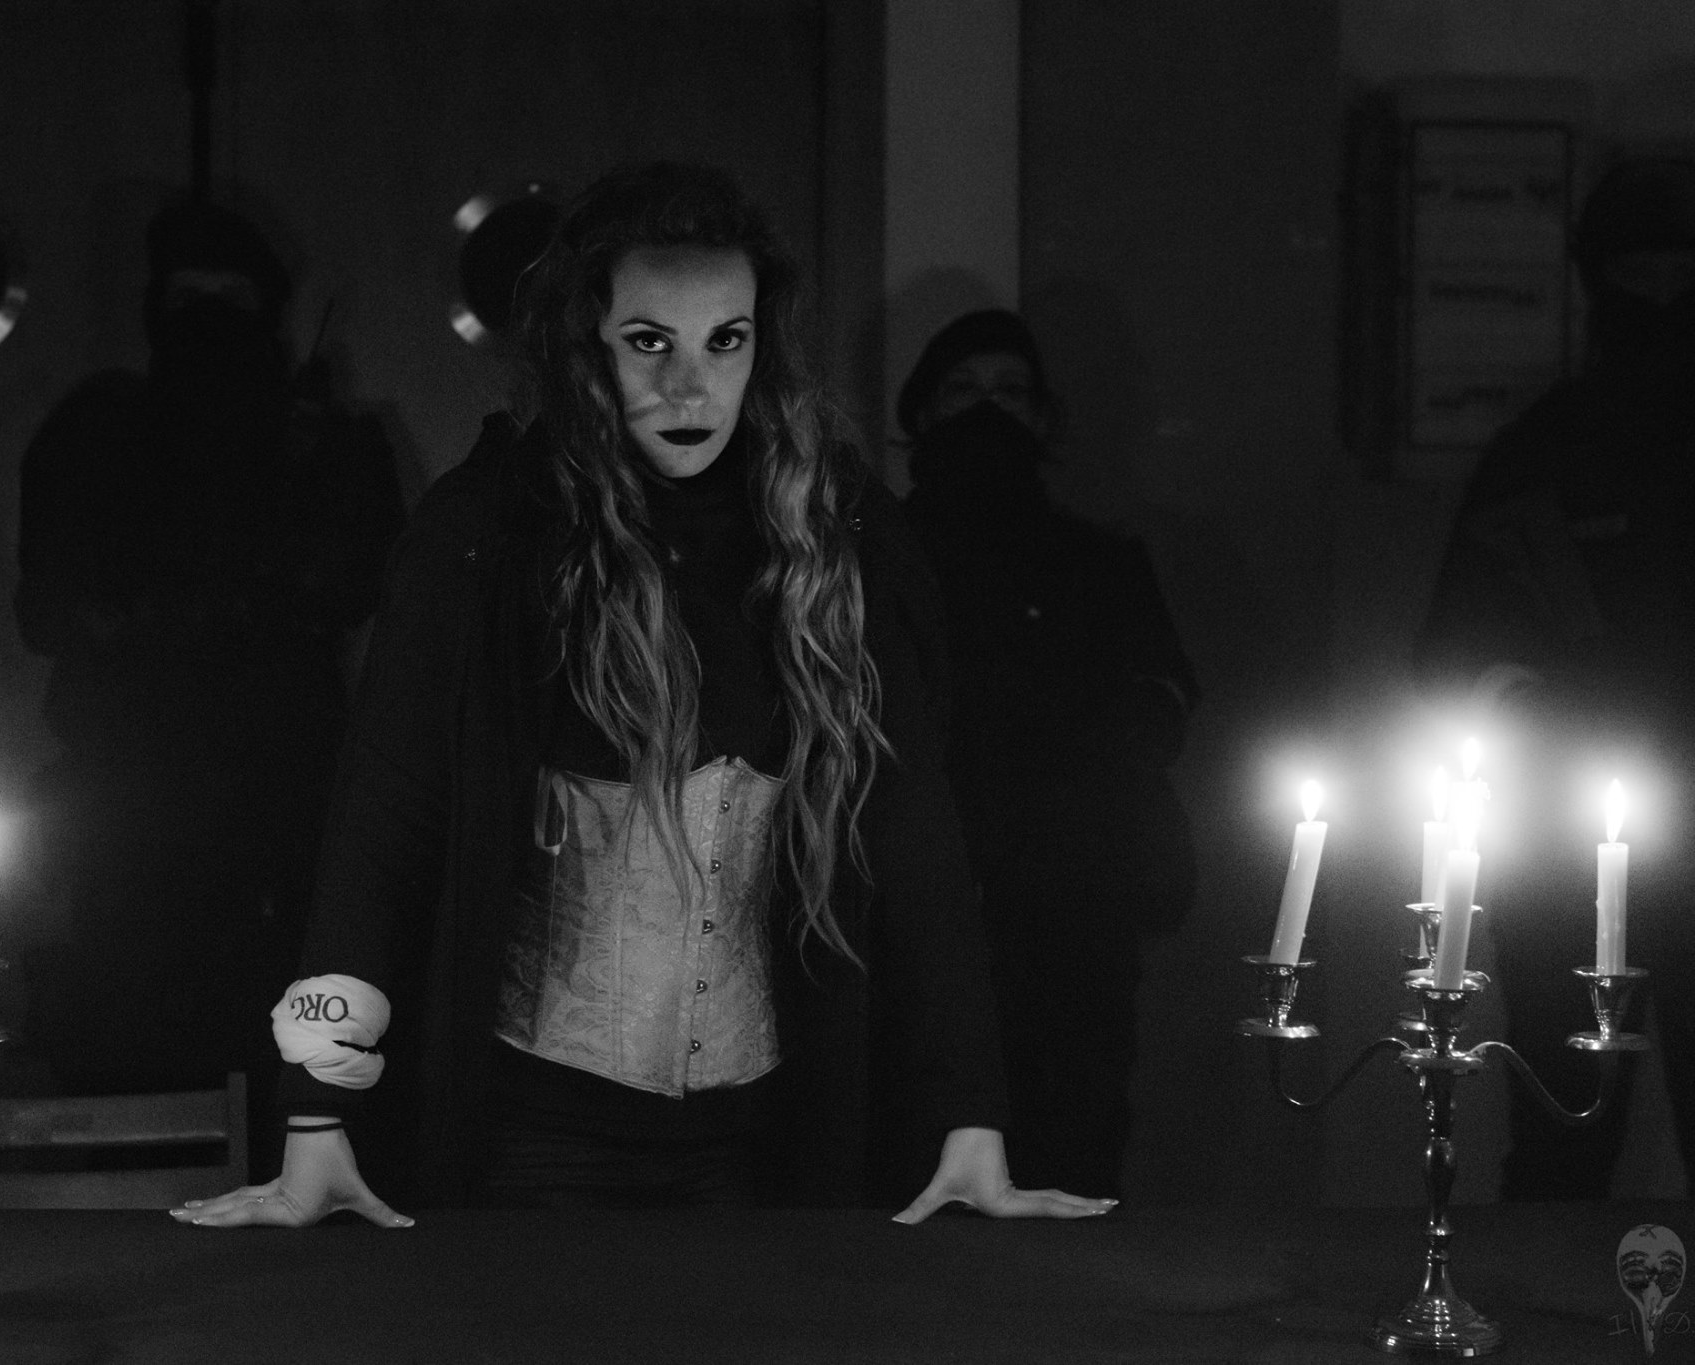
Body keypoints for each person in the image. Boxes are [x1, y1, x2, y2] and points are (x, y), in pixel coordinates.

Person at [171, 163, 1116, 1226]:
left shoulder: (834, 535)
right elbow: (384, 819)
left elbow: (915, 834)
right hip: (534, 1137)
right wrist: (315, 1113)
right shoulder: (488, 535)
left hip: (765, 1138)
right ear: (588, 344)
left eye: (726, 340)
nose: (689, 386)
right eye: (649, 341)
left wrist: (969, 1114)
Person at [15, 199, 404, 1178]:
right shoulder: (99, 430)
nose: (210, 323)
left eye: (233, 299)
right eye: (188, 299)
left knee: (284, 1083)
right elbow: (50, 605)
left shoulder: (323, 439)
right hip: (130, 813)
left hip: (282, 820)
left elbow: (359, 578)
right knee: (131, 1083)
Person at [1414, 156, 1695, 1200]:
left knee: (1560, 1141)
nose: (1661, 297)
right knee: (1560, 1136)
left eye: (1679, 272)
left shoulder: (1541, 447)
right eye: (1641, 273)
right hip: (1570, 849)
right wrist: (1546, 712)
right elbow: (1452, 658)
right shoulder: (1540, 454)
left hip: (1581, 841)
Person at [897, 310, 1198, 1200]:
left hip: (1071, 919)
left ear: (1041, 414)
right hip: (914, 910)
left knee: (1071, 1141)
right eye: (963, 391)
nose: (986, 414)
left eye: (1008, 393)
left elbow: (1164, 701)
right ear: (923, 410)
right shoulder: (871, 562)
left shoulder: (1099, 564)